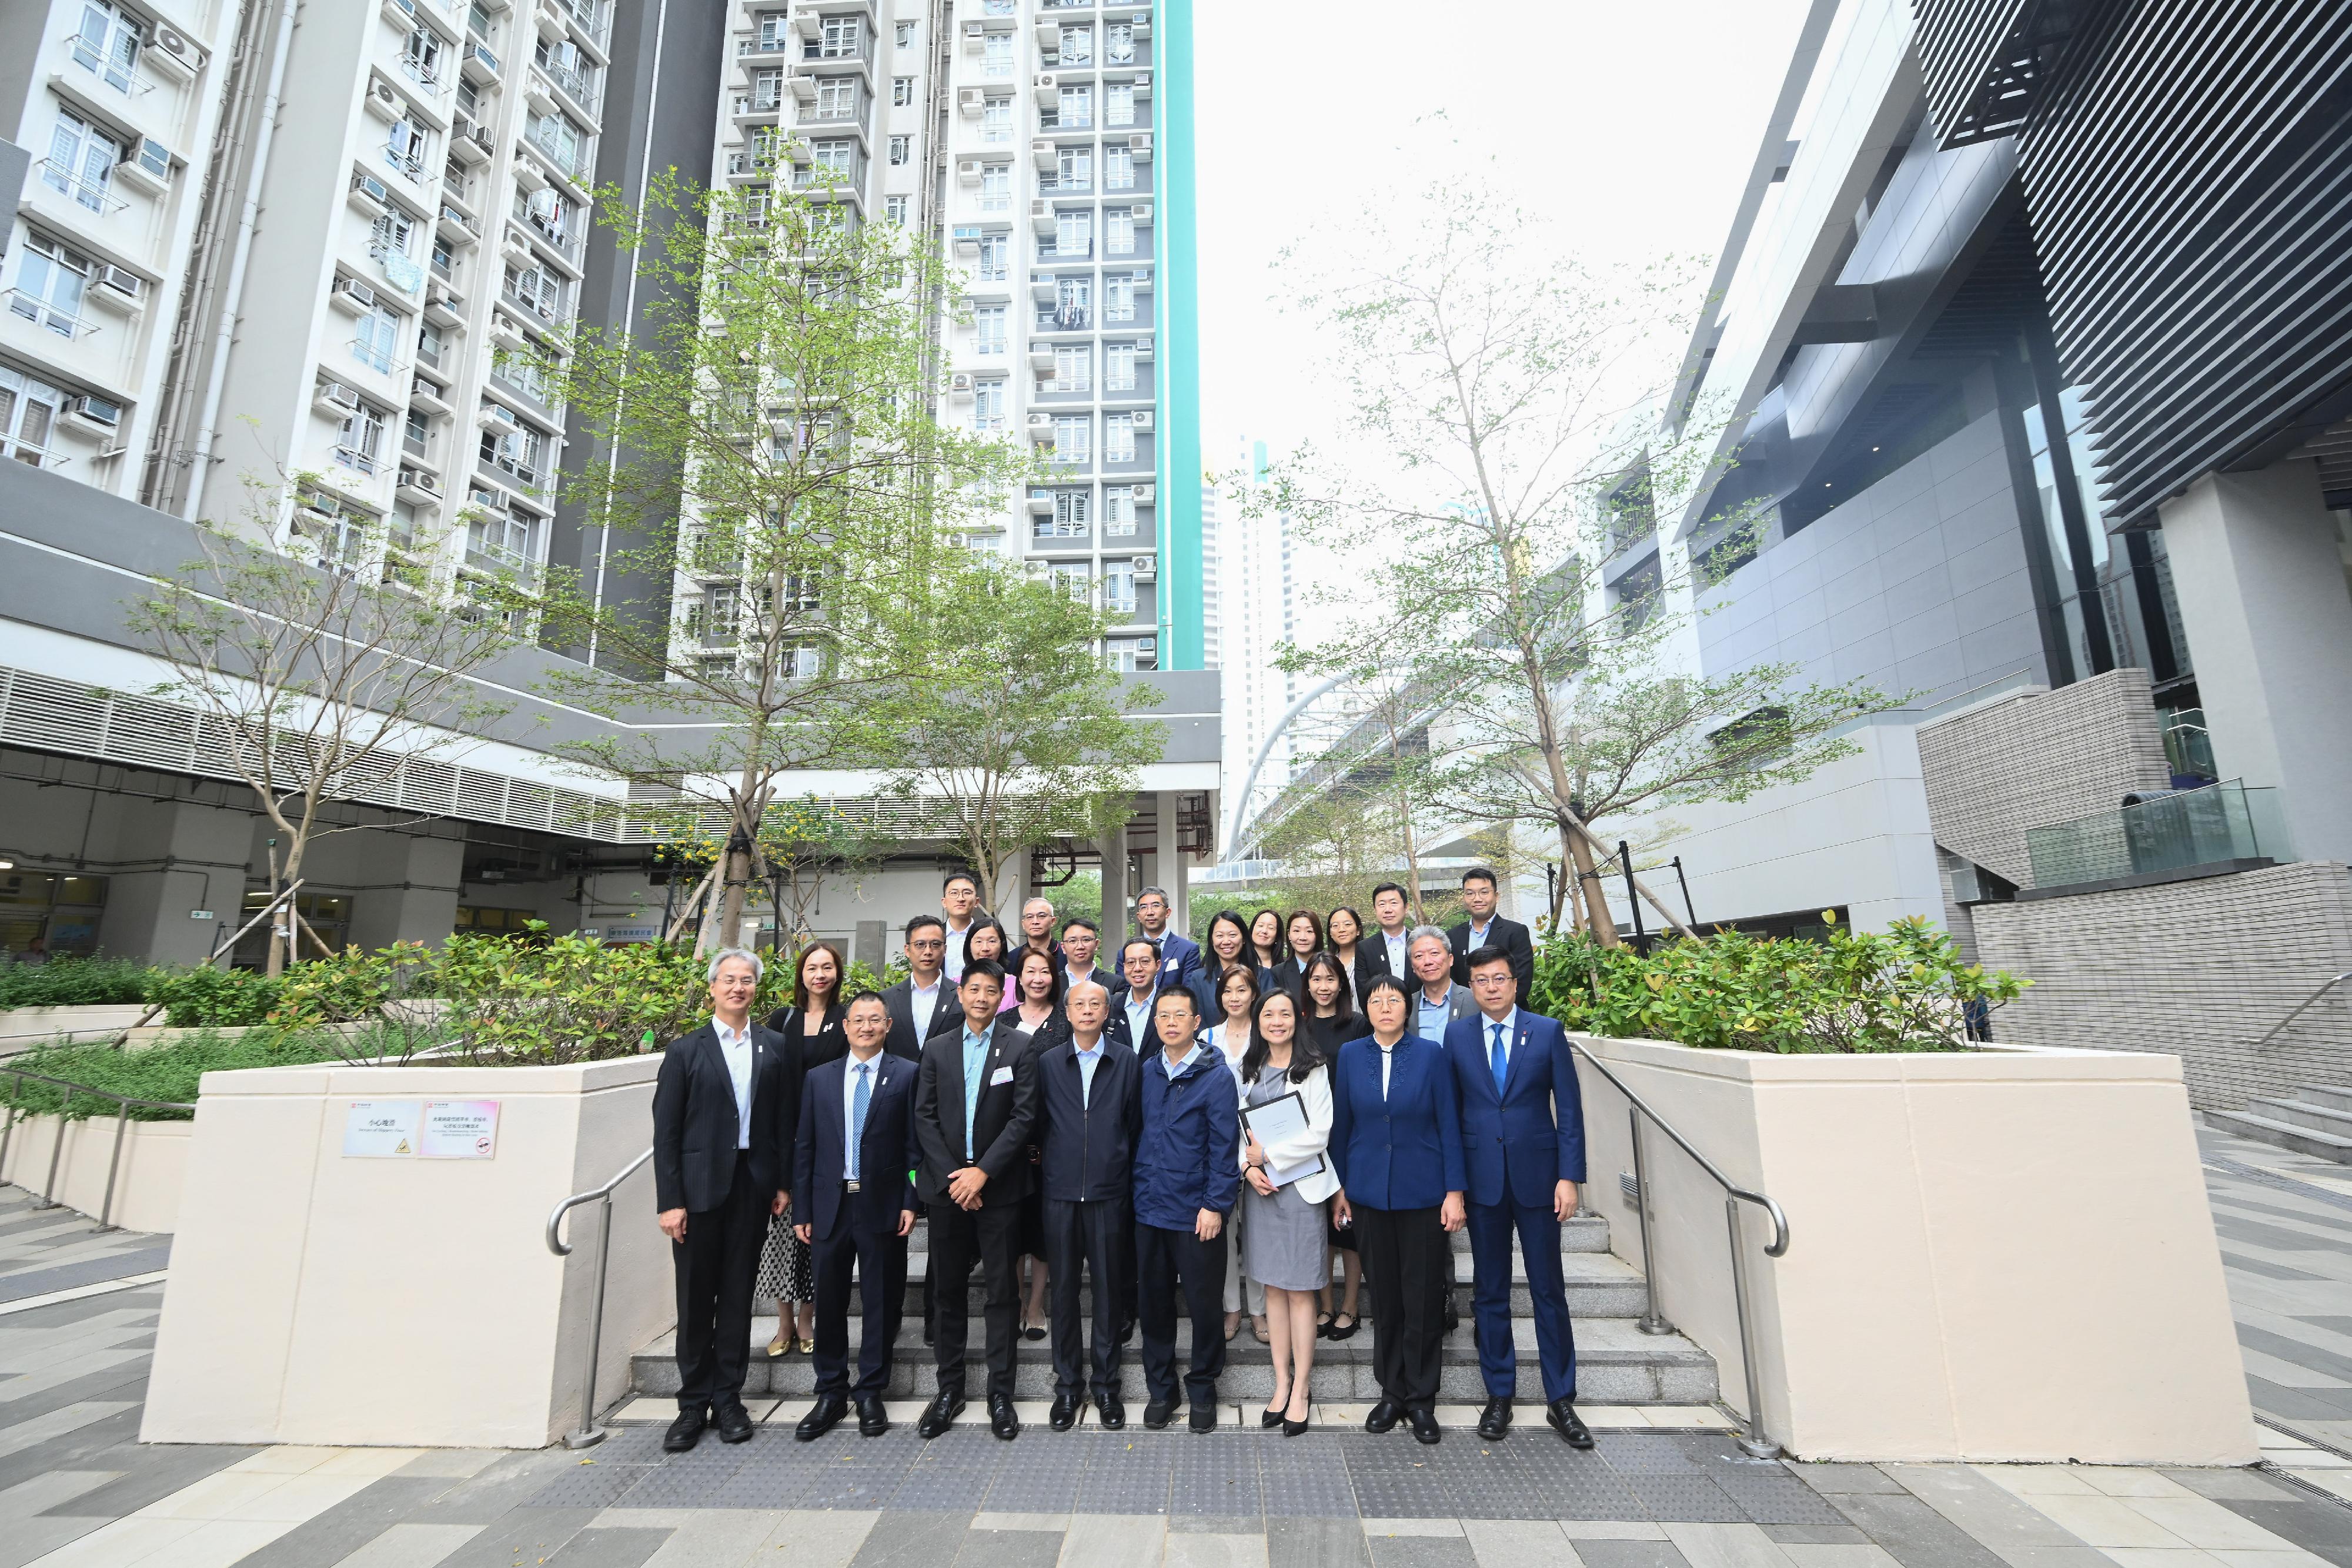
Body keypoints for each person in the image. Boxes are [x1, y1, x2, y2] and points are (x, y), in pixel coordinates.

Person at [1444, 946, 1592, 1449]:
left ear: (1514, 982)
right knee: (1489, 1292)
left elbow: (1568, 1110)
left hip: (1539, 1179)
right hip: (1482, 1181)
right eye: (1481, 979)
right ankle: (1499, 1394)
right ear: (1472, 984)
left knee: (1548, 1288)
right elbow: (1453, 1113)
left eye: (1499, 978)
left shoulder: (1546, 1031)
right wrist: (1455, 1186)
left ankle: (1561, 1398)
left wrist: (1569, 1177)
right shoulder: (1457, 1034)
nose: (1491, 987)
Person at [652, 949, 796, 1453]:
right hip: (696, 1191)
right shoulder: (684, 1051)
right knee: (695, 1297)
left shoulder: (774, 1046)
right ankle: (692, 1402)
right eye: (729, 980)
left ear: (757, 988)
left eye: (747, 980)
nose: (738, 987)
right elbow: (666, 1133)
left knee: (737, 1294)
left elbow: (781, 1121)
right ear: (713, 987)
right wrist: (670, 1200)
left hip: (751, 1185)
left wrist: (780, 1183)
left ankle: (728, 1396)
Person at [1329, 974, 1465, 1445]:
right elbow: (1342, 1125)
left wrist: (1454, 1191)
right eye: (1375, 1000)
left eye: (1393, 999)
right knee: (1384, 1295)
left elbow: (1449, 1123)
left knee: (1423, 1296)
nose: (1385, 1006)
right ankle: (1391, 1392)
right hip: (1367, 1193)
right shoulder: (1350, 1055)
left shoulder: (1430, 1053)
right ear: (1365, 1008)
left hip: (1423, 1192)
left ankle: (1422, 1398)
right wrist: (1341, 1188)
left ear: (1406, 1008)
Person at [912, 960, 1039, 1439]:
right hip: (948, 1193)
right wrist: (956, 1179)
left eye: (991, 990)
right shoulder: (936, 1049)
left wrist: (982, 1173)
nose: (982, 997)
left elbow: (1024, 1117)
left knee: (1003, 1294)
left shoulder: (1019, 1046)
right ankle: (949, 1390)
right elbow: (923, 1118)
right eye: (974, 989)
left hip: (1000, 1191)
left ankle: (1000, 1393)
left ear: (1002, 996)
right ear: (961, 994)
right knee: (947, 1292)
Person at [791, 991, 920, 1440]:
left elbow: (913, 1149)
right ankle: (830, 1390)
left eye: (875, 1020)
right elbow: (804, 1147)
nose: (866, 1026)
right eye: (858, 1020)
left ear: (888, 1025)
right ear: (845, 1026)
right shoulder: (818, 1079)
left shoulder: (908, 1074)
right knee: (828, 1300)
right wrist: (802, 1209)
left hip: (883, 1203)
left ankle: (870, 1389)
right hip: (830, 1204)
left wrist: (910, 1198)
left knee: (882, 1302)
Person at [1035, 978, 1142, 1431]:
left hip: (1109, 1192)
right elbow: (1036, 1123)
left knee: (1108, 1292)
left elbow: (1136, 1125)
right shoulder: (1046, 1062)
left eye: (1095, 1003)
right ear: (1067, 1010)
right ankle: (1066, 1387)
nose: (1087, 1010)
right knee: (1062, 1292)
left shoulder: (1127, 1061)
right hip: (1059, 1193)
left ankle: (1105, 1386)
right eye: (1079, 1003)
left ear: (1106, 1010)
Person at [1133, 985, 1236, 1432]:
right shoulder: (1145, 1071)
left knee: (1204, 1304)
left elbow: (1225, 1147)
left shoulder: (1217, 1074)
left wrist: (1215, 1204)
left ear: (1197, 1022)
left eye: (1180, 1014)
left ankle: (1202, 1386)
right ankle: (1162, 1388)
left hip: (1197, 1213)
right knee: (1153, 1304)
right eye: (1163, 1015)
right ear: (1155, 1023)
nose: (1170, 1022)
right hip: (1148, 1207)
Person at [1237, 988, 1337, 1436]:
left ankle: (1302, 1386)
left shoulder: (1313, 1068)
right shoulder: (1249, 1068)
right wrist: (1247, 1166)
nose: (1276, 1021)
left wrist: (1268, 1158)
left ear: (1297, 1019)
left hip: (1299, 1189)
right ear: (1258, 1020)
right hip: (1261, 1190)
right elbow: (1238, 1127)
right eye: (1267, 1014)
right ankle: (1280, 1381)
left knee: (1300, 1291)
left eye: (1284, 1014)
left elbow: (1320, 1133)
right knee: (1273, 1288)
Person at [758, 941, 847, 1358]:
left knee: (816, 1235)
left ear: (837, 972)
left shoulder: (846, 1019)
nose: (820, 974)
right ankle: (783, 1322)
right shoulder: (783, 1018)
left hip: (829, 1140)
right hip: (786, 1139)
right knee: (782, 1237)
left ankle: (808, 1319)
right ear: (802, 973)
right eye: (812, 967)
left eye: (827, 966)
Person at [1298, 951, 1367, 1340]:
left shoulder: (1357, 1024)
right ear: (1307, 985)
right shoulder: (1300, 1027)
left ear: (1341, 983)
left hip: (1350, 1133)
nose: (1323, 986)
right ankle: (1325, 1305)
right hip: (1310, 1139)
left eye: (1330, 979)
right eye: (1316, 979)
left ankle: (1351, 1306)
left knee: (1348, 1228)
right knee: (1320, 1226)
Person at [1007, 948, 1068, 1342]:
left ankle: (1035, 1305)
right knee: (1013, 1228)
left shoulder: (1065, 1022)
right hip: (1008, 1142)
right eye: (1030, 971)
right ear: (1020, 977)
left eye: (1045, 971)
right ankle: (1013, 1301)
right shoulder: (1002, 1021)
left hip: (1053, 1138)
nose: (1038, 978)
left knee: (1043, 1231)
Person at [1203, 965, 1265, 1344]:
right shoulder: (1207, 1037)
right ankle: (1231, 1307)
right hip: (1220, 1145)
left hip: (1260, 1145)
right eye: (1228, 991)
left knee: (1257, 1231)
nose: (1235, 997)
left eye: (1242, 989)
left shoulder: (1267, 1033)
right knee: (1224, 1231)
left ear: (1254, 994)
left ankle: (1259, 1309)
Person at [1448, 868, 1535, 1007]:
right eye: (1470, 893)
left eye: (1484, 892)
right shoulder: (1453, 935)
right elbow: (1453, 981)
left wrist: (1493, 1010)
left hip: (1508, 1015)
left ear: (1496, 896)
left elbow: (1522, 982)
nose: (1477, 899)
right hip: (1466, 1016)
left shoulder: (1516, 932)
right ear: (1464, 898)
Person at [884, 915, 956, 1060]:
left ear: (945, 949)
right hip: (899, 1080)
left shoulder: (960, 996)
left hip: (945, 1080)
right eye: (920, 944)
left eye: (935, 944)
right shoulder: (886, 999)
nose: (928, 951)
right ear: (907, 950)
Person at [1134, 885, 1207, 1014]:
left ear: (1167, 912)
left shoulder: (1188, 950)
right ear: (1139, 916)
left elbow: (1189, 992)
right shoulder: (1127, 952)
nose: (1150, 912)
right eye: (1144, 907)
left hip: (1173, 1019)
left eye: (1156, 906)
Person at [1409, 926, 1478, 1043]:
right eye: (1419, 956)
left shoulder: (1475, 999)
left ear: (1450, 959)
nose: (1428, 962)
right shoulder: (1406, 1006)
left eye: (1434, 953)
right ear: (1413, 967)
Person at [1106, 937, 1176, 1051]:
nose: (1137, 968)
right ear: (1124, 966)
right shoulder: (1111, 1007)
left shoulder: (1172, 1006)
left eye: (1145, 962)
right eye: (1131, 962)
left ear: (1158, 965)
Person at [959, 918, 1018, 1016]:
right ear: (969, 946)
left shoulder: (1016, 986)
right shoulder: (955, 984)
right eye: (979, 942)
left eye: (992, 941)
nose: (985, 948)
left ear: (1002, 946)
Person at [1364, 883, 1415, 987]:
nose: (1388, 910)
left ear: (1406, 907)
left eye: (1394, 903)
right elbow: (1364, 992)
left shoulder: (1420, 942)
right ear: (1375, 909)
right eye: (1382, 904)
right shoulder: (1365, 948)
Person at [1269, 910, 1325, 999]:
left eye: (1309, 931)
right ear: (1289, 935)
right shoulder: (1278, 973)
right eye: (1296, 931)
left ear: (1318, 935)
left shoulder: (1331, 967)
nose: (1303, 937)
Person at [1327, 905, 1374, 1004]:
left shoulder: (1371, 960)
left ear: (1358, 930)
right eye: (1335, 926)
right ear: (1330, 933)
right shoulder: (1326, 964)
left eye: (1347, 924)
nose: (1341, 929)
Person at [1202, 910, 1254, 998]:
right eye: (1220, 936)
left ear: (1244, 938)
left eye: (1232, 935)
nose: (1226, 942)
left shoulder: (1262, 975)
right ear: (1211, 940)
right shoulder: (1199, 978)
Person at [1058, 915, 1115, 995]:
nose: (1080, 947)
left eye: (1086, 940)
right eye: (1073, 941)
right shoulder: (1052, 983)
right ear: (1063, 947)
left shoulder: (1115, 983)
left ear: (1096, 944)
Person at [941, 871, 981, 983]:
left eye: (967, 893)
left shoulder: (985, 935)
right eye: (954, 893)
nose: (960, 899)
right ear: (944, 902)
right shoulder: (935, 936)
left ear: (977, 901)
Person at [1018, 896, 1061, 970]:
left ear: (1053, 921)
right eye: (1029, 917)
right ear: (1023, 924)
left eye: (1041, 916)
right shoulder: (1013, 957)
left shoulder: (1066, 954)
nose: (1035, 922)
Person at [1247, 908, 1286, 984]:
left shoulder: (1285, 967)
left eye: (1271, 928)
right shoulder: (1240, 963)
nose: (1264, 931)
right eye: (1260, 926)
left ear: (1277, 936)